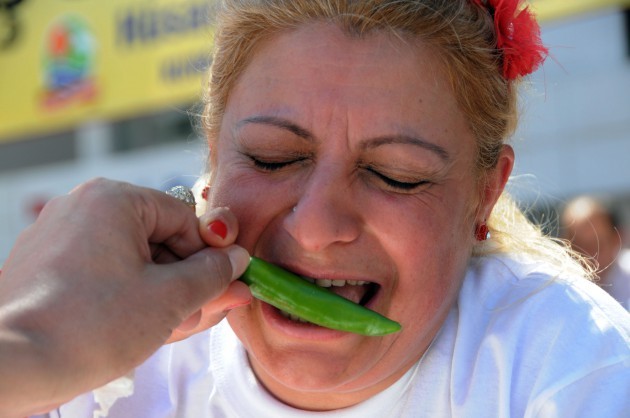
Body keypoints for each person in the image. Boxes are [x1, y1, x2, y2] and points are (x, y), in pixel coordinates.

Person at [0, 0, 628, 417]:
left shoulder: (568, 363)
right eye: (272, 158)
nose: (318, 227)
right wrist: (35, 351)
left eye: (395, 175)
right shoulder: (100, 361)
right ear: (214, 157)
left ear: (484, 193)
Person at [561, 195, 630, 310]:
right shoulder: (562, 285)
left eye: (597, 244)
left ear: (617, 239)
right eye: (579, 246)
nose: (589, 254)